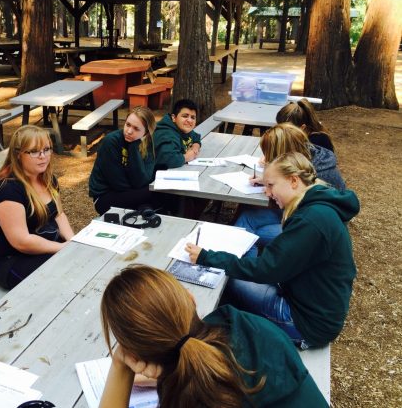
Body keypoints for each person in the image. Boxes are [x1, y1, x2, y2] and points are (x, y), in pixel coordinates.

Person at [186, 152, 359, 349]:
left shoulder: (311, 221)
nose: (267, 193)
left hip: (304, 324)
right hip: (311, 307)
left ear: (293, 181)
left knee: (229, 281)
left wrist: (207, 257)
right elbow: (276, 263)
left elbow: (265, 269)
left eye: (271, 185)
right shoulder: (316, 206)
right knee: (235, 273)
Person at [99, 265, 327, 408]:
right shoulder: (246, 325)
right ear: (190, 298)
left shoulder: (187, 398)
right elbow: (217, 366)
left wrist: (121, 365)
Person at [0, 126, 74, 290]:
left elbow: (59, 215)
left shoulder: (47, 178)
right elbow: (21, 241)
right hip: (13, 260)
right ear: (18, 154)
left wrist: (73, 242)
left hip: (45, 245)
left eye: (46, 149)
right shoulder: (7, 190)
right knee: (64, 277)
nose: (43, 156)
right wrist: (61, 248)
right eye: (34, 151)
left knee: (78, 261)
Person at [234, 122, 345, 253]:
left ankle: (249, 268)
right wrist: (269, 182)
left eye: (270, 154)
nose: (267, 158)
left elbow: (301, 211)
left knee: (251, 235)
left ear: (282, 153)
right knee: (246, 218)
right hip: (296, 214)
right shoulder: (305, 159)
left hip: (311, 227)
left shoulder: (318, 173)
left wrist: (273, 187)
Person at [89, 106, 159, 215]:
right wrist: (133, 145)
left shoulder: (148, 144)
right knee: (156, 194)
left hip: (132, 192)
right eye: (128, 125)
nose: (129, 131)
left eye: (136, 129)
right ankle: (145, 206)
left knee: (158, 196)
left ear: (146, 133)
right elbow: (119, 184)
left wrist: (134, 145)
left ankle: (145, 207)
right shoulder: (111, 142)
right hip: (105, 197)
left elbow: (145, 179)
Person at [153, 98, 201, 169]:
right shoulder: (166, 134)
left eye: (193, 117)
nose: (190, 120)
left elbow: (196, 137)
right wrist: (186, 157)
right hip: (153, 177)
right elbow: (167, 160)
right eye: (185, 116)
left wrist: (195, 146)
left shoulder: (183, 129)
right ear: (174, 118)